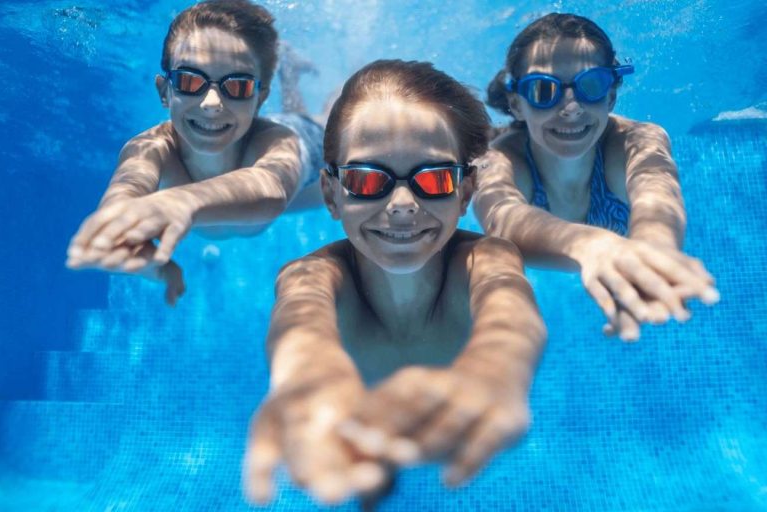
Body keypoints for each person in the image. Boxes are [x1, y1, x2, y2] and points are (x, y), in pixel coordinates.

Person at [243, 60, 547, 506]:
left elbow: (509, 304)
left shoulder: (484, 257)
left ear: (466, 193)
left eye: (436, 178)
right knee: (313, 129)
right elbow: (300, 316)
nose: (403, 205)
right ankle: (295, 82)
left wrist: (497, 369)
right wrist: (304, 374)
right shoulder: (313, 275)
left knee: (332, 129)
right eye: (367, 181)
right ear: (331, 196)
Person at [475, 13, 719, 340]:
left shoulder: (637, 141)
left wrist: (653, 252)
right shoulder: (501, 158)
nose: (571, 107)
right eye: (543, 90)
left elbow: (658, 196)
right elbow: (501, 219)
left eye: (591, 85)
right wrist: (590, 245)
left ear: (611, 96)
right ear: (517, 105)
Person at [65, 0, 325, 304]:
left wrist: (183, 200)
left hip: (310, 160)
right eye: (190, 80)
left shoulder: (276, 143)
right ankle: (289, 70)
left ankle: (290, 72)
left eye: (238, 86)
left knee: (335, 120)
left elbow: (271, 189)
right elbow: (122, 202)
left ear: (259, 98)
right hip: (245, 204)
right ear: (165, 91)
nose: (211, 103)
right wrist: (137, 249)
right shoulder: (150, 149)